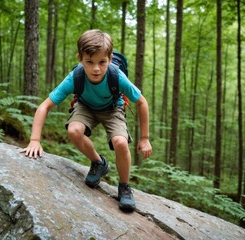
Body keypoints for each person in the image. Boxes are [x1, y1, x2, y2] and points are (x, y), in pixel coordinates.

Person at [21, 29, 152, 211]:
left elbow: (142, 102)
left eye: (102, 62)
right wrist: (34, 140)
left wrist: (144, 138)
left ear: (110, 58)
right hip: (85, 107)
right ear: (80, 58)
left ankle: (124, 187)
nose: (96, 68)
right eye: (89, 62)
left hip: (112, 108)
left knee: (120, 143)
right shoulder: (75, 77)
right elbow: (45, 106)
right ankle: (99, 163)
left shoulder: (116, 76)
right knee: (74, 130)